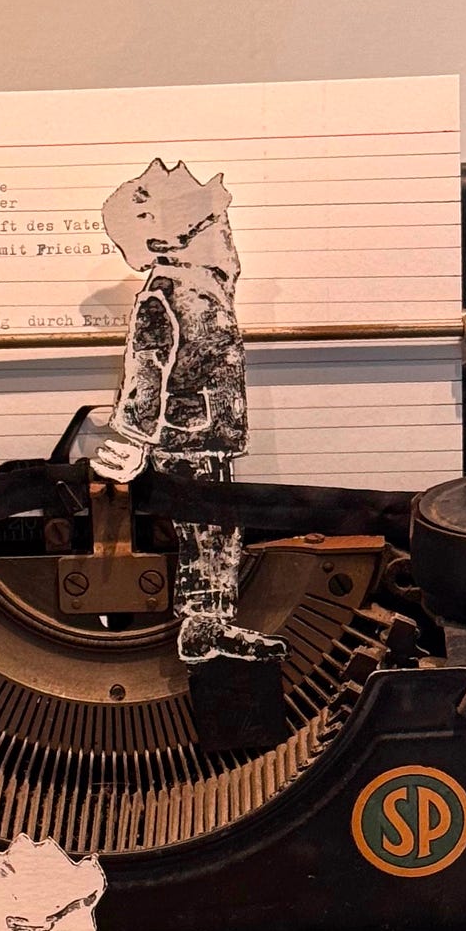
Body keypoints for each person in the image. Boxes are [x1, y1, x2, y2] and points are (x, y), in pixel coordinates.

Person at [91, 158, 286, 665]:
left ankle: (211, 624)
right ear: (175, 238)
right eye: (214, 224)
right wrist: (134, 440)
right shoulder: (165, 293)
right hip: (185, 435)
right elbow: (146, 366)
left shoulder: (209, 282)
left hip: (211, 431)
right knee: (204, 530)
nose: (227, 235)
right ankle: (202, 627)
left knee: (219, 530)